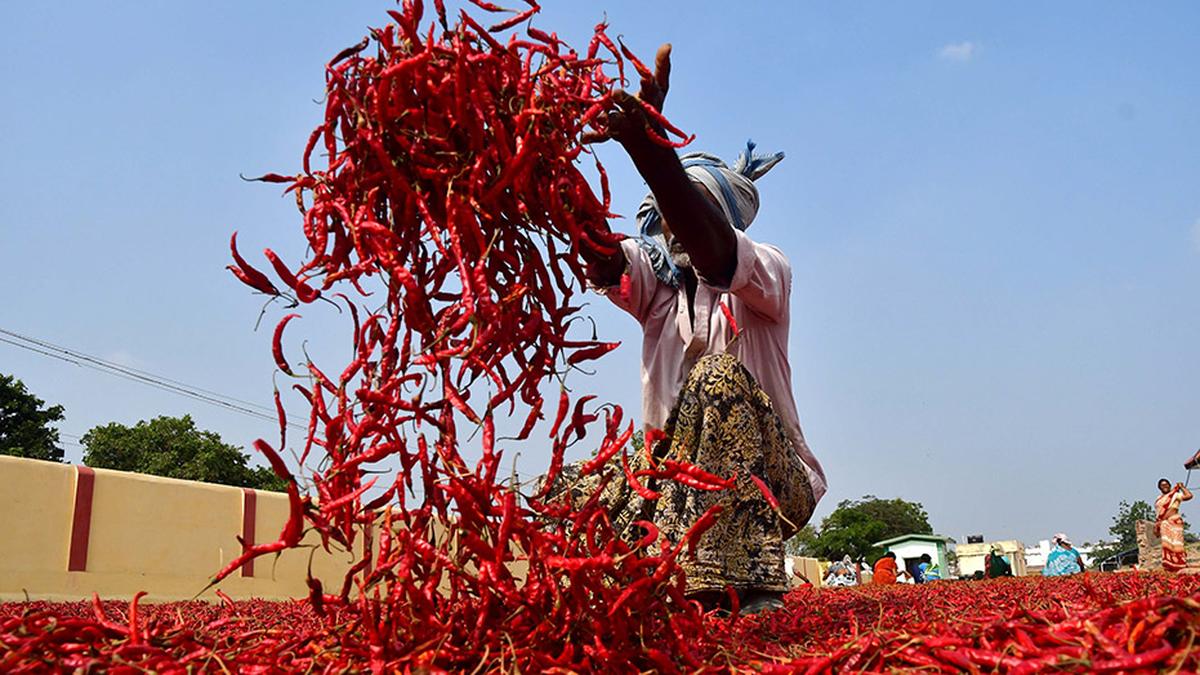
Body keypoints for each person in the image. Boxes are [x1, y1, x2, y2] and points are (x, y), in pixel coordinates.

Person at [569, 44, 825, 615]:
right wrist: (540, 158)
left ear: (724, 220)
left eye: (685, 210)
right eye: (665, 217)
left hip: (776, 485)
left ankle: (747, 585)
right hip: (675, 485)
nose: (672, 227)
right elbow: (601, 251)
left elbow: (712, 250)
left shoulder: (766, 273)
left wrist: (650, 152)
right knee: (573, 491)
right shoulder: (658, 290)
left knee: (716, 377)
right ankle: (638, 592)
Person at [1156, 478, 1193, 573]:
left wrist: (1182, 487)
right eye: (1162, 485)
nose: (1165, 486)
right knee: (1167, 543)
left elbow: (1189, 496)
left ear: (1169, 486)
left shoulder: (1175, 495)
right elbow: (1159, 513)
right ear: (1159, 488)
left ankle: (1179, 564)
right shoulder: (1159, 499)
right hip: (1165, 523)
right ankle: (1169, 564)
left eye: (1166, 484)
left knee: (1177, 543)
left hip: (1174, 521)